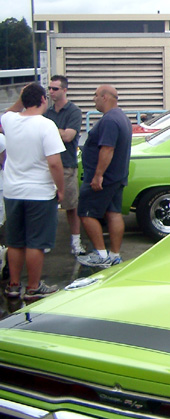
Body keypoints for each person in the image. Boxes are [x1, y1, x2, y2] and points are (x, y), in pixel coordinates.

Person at [1, 83, 65, 300]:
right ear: (43, 100)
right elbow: (54, 163)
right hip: (39, 192)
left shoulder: (9, 121)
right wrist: (60, 189)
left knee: (15, 241)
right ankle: (33, 286)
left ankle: (13, 285)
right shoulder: (46, 125)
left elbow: (9, 112)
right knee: (35, 242)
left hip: (12, 190)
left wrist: (22, 98)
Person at [76, 85, 131, 269]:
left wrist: (98, 175)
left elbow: (107, 149)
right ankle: (114, 255)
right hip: (116, 176)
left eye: (96, 95)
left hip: (104, 178)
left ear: (105, 97)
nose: (94, 99)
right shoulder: (121, 117)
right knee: (113, 213)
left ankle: (101, 255)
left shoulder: (109, 120)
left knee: (86, 213)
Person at [43, 75, 85, 256]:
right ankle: (45, 240)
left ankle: (76, 241)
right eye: (49, 88)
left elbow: (68, 136)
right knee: (46, 206)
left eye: (55, 89)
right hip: (47, 166)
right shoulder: (47, 113)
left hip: (66, 164)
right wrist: (57, 130)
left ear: (64, 90)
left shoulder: (73, 111)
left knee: (71, 206)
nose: (51, 92)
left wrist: (49, 129)